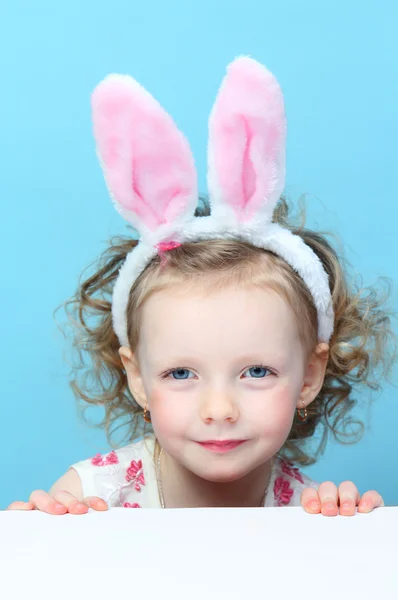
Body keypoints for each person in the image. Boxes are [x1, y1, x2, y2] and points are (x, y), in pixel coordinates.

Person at [9, 57, 394, 516]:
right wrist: (41, 540)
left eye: (256, 371)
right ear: (138, 378)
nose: (219, 409)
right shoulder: (90, 497)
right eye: (180, 374)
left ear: (309, 376)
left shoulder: (307, 511)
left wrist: (349, 534)